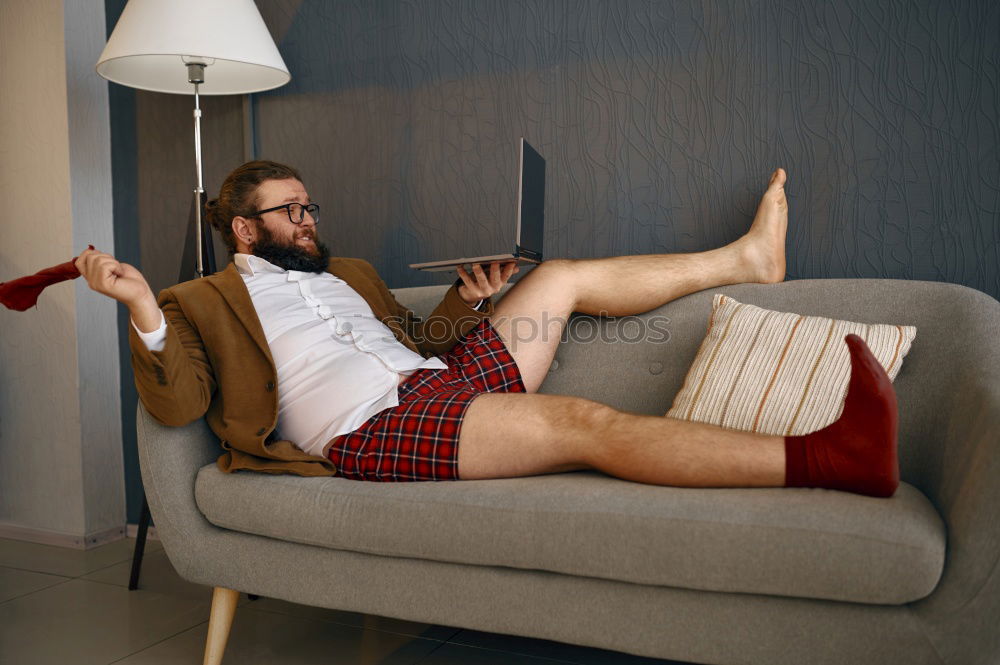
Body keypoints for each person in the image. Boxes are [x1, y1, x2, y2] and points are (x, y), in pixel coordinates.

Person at [76, 160, 898, 497]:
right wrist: (143, 306)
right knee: (584, 422)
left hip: (437, 382)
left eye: (309, 205)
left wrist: (471, 299)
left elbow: (421, 344)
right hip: (373, 425)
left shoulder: (350, 272)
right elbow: (182, 405)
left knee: (561, 277)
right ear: (245, 229)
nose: (308, 217)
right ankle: (831, 456)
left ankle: (747, 261)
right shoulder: (201, 299)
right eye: (290, 210)